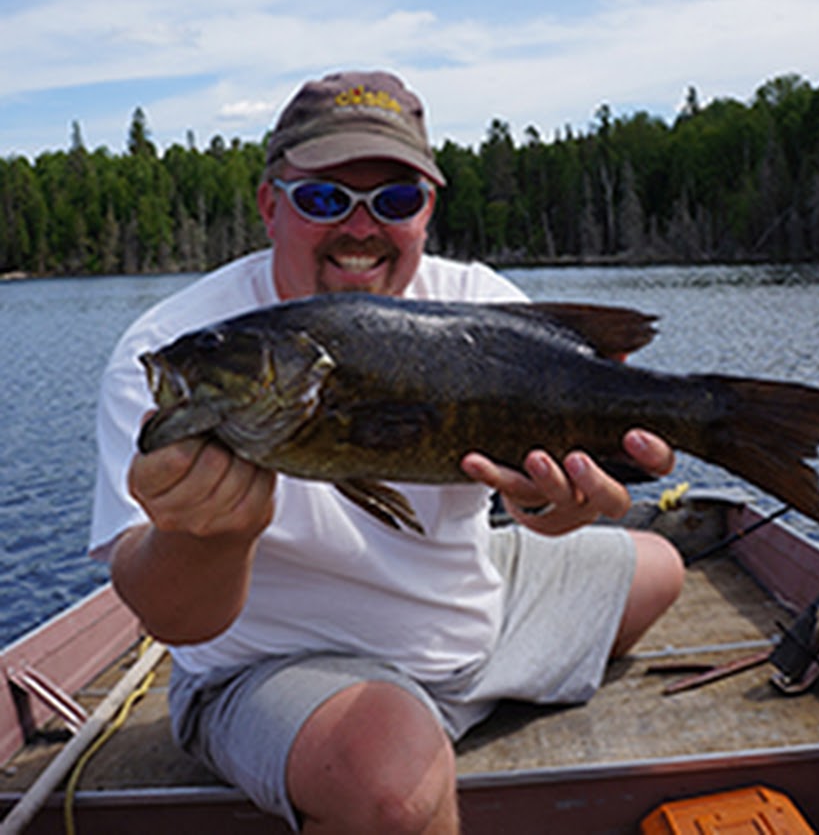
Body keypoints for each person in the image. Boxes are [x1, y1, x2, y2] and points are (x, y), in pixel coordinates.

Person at [90, 70, 684, 834]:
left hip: (467, 624)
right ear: (270, 204)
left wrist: (553, 509)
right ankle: (399, 742)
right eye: (325, 199)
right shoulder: (175, 355)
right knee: (393, 785)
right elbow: (174, 618)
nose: (361, 227)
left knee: (661, 571)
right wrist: (213, 533)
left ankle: (454, 696)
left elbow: (544, 495)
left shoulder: (476, 303)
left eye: (395, 201)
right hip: (279, 663)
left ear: (427, 212)